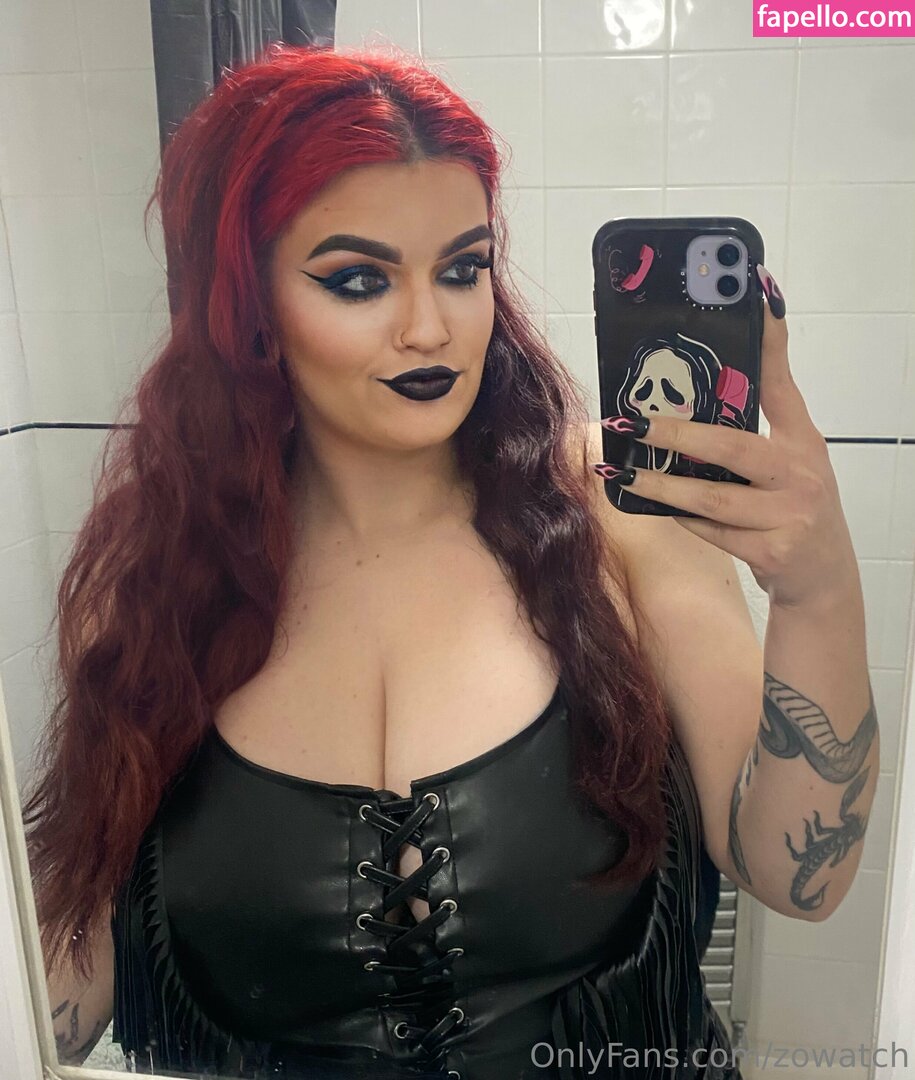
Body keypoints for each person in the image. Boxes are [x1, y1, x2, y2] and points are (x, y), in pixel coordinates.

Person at [22, 43, 745, 1079]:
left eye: (462, 268)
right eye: (359, 280)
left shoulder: (614, 511)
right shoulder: (149, 587)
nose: (429, 328)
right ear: (248, 306)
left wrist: (815, 584)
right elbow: (70, 963)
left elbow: (792, 871)